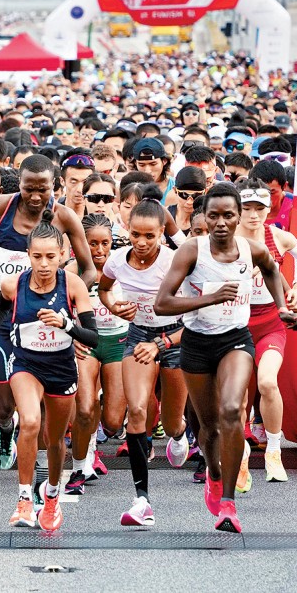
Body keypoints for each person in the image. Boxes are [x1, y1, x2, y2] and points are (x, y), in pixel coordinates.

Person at [155, 183, 296, 533]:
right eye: (213, 215)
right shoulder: (191, 251)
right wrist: (210, 298)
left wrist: (282, 307)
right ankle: (214, 475)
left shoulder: (252, 249)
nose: (220, 223)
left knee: (233, 409)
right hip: (197, 344)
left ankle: (229, 505)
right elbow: (162, 303)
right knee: (209, 427)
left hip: (235, 340)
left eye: (228, 216)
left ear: (237, 218)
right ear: (204, 217)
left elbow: (271, 270)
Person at [0, 154, 94, 507]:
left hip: (47, 326)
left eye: (43, 189)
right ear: (17, 185)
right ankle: (4, 433)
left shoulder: (63, 216)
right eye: (28, 189)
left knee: (40, 414)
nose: (35, 197)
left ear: (56, 187)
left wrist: (74, 307)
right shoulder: (2, 207)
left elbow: (89, 268)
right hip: (2, 318)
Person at [97, 188, 189, 527]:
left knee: (175, 418)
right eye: (135, 234)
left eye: (150, 235)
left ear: (162, 234)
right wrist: (112, 306)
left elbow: (194, 318)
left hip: (176, 338)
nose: (141, 241)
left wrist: (164, 343)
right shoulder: (117, 260)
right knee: (136, 410)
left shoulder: (175, 262)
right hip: (137, 337)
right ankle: (141, 500)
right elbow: (105, 288)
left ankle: (179, 435)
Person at [234, 179, 297, 485]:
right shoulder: (226, 239)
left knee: (266, 381)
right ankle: (239, 458)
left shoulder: (278, 237)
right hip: (236, 324)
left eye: (259, 208)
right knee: (238, 397)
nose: (253, 215)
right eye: (247, 208)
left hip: (270, 322)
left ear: (268, 208)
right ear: (236, 209)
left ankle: (274, 451)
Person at [64, 213, 125, 494]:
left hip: (117, 343)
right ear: (81, 245)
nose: (99, 251)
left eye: (105, 243)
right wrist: (69, 336)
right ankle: (81, 462)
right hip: (85, 345)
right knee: (85, 407)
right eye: (92, 244)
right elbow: (56, 310)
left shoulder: (124, 267)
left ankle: (92, 439)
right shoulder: (70, 272)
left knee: (112, 422)